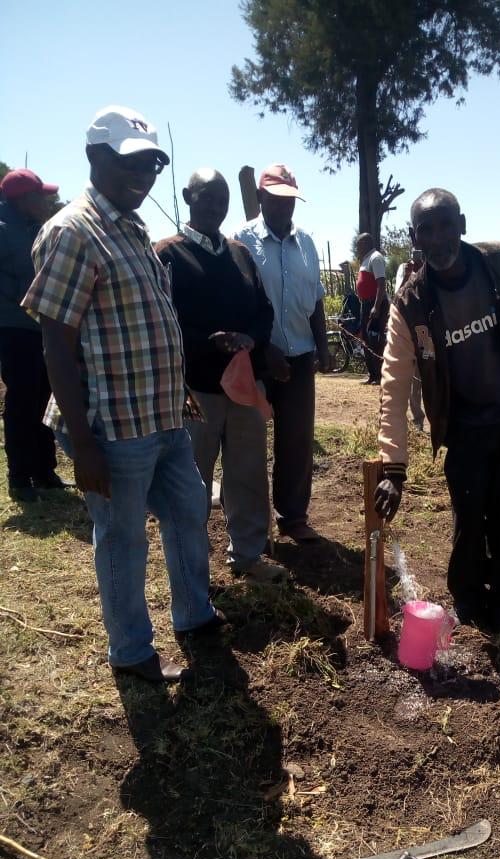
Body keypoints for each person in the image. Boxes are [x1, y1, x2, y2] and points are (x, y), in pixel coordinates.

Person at [22, 105, 221, 683]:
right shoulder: (72, 232)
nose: (144, 175)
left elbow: (149, 324)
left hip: (163, 418)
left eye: (152, 165)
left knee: (188, 513)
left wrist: (179, 394)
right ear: (95, 157)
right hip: (112, 428)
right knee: (122, 539)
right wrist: (84, 446)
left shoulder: (132, 229)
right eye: (131, 163)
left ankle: (195, 615)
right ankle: (132, 653)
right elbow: (56, 344)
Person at [375, 188, 500, 640]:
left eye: (445, 225)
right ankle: (469, 605)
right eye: (426, 230)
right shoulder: (411, 302)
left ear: (462, 225)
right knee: (468, 521)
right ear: (415, 237)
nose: (437, 239)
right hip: (463, 430)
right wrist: (393, 467)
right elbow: (394, 384)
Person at [156, 168, 287, 585]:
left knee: (248, 472)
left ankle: (247, 555)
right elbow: (163, 321)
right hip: (196, 388)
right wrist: (207, 342)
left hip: (245, 386)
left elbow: (263, 310)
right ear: (187, 196)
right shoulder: (167, 255)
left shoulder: (239, 255)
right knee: (191, 476)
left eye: (222, 200)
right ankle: (190, 566)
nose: (215, 206)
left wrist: (252, 338)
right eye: (207, 197)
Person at [235, 164, 332, 543]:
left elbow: (317, 297)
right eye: (276, 199)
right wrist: (261, 347)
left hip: (300, 357)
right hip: (257, 359)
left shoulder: (306, 242)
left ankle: (292, 516)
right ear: (261, 197)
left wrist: (322, 346)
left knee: (297, 440)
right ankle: (252, 527)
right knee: (249, 444)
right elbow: (236, 304)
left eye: (290, 200)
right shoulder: (241, 240)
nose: (284, 206)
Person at [0, 168, 70, 501]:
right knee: (22, 400)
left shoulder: (34, 229)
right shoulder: (3, 231)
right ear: (23, 199)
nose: (47, 201)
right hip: (15, 328)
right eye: (41, 195)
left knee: (44, 396)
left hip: (40, 326)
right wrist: (28, 299)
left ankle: (44, 471)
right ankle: (19, 477)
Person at [394, 247, 425, 431]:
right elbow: (397, 298)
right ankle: (417, 420)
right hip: (409, 332)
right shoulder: (403, 269)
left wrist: (423, 272)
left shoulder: (431, 269)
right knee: (413, 379)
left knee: (428, 376)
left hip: (427, 331)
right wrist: (408, 276)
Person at [355, 233, 388, 385]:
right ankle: (372, 375)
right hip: (366, 304)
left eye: (359, 245)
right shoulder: (366, 259)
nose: (357, 248)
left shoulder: (376, 257)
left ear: (367, 243)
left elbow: (381, 284)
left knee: (375, 340)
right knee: (366, 340)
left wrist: (376, 306)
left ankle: (380, 375)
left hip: (375, 304)